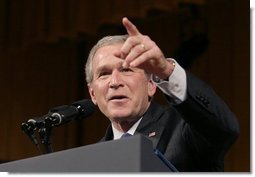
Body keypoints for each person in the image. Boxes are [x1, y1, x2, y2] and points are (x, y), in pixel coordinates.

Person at [85, 17, 239, 172]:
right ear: (92, 94)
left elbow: (224, 129)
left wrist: (166, 71)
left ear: (151, 84)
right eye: (104, 74)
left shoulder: (184, 128)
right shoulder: (89, 161)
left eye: (126, 70)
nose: (115, 82)